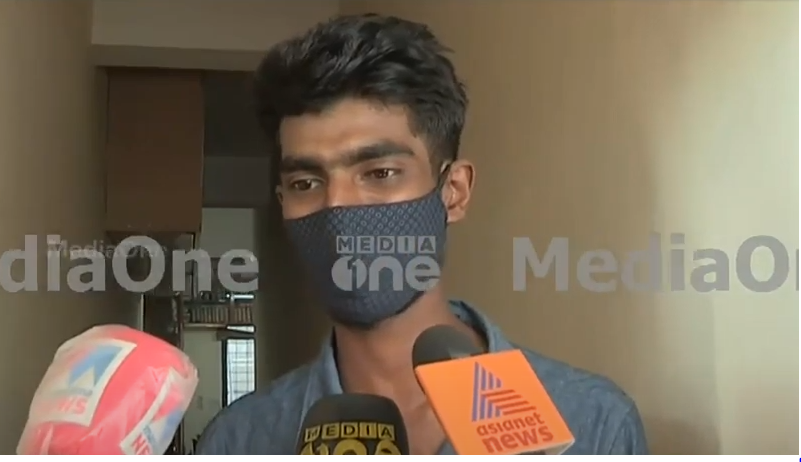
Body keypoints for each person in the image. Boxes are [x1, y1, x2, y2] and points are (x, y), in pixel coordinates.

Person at [195, 13, 648, 455]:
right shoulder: (237, 442)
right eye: (306, 183)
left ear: (453, 192)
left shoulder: (593, 424)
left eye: (380, 173)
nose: (337, 210)